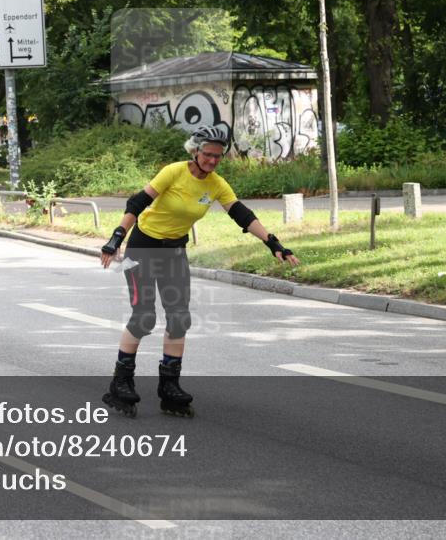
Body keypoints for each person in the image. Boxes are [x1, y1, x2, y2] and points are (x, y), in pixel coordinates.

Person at [99, 126, 299, 417]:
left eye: (218, 156)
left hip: (174, 252)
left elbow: (241, 214)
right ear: (194, 151)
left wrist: (273, 243)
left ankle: (169, 387)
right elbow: (138, 202)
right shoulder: (174, 172)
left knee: (179, 318)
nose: (213, 161)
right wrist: (116, 237)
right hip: (143, 247)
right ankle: (121, 382)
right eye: (207, 155)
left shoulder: (216, 184)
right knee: (144, 317)